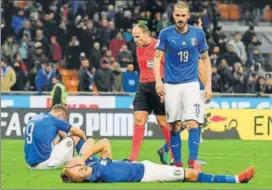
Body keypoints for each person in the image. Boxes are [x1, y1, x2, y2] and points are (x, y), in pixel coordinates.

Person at [154, 2, 212, 169]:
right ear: (173, 15)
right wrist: (159, 81)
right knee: (174, 125)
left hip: (191, 84)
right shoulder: (165, 34)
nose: (180, 18)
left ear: (188, 16)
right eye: (177, 15)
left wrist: (207, 85)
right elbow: (157, 57)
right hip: (171, 85)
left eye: (183, 15)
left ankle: (193, 160)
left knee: (193, 122)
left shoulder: (198, 34)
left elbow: (206, 59)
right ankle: (177, 164)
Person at [60, 138, 255, 184]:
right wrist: (82, 159)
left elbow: (91, 141)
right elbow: (104, 142)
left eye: (78, 170)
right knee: (192, 175)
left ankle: (168, 157)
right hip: (147, 174)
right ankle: (237, 179)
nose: (81, 172)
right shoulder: (98, 172)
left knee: (189, 171)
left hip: (142, 165)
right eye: (78, 176)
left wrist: (80, 159)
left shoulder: (92, 166)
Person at [128, 23, 170, 161]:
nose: (135, 40)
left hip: (159, 85)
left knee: (162, 121)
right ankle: (132, 160)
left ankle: (175, 157)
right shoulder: (138, 48)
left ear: (146, 34)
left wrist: (166, 87)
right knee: (139, 120)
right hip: (143, 86)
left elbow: (169, 66)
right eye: (134, 37)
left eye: (137, 37)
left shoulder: (159, 46)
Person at [24, 104, 86, 169]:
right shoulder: (54, 120)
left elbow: (60, 135)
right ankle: (86, 161)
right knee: (76, 137)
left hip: (30, 165)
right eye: (64, 120)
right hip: (45, 164)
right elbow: (80, 133)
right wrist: (84, 140)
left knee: (60, 134)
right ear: (61, 115)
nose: (64, 122)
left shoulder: (36, 118)